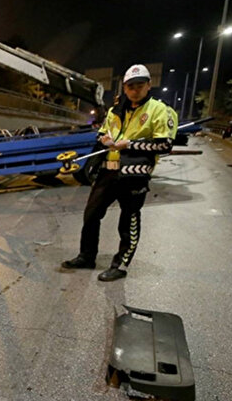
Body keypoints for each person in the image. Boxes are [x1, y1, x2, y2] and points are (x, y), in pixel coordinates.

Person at [61, 64, 177, 281]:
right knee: (91, 215)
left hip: (134, 174)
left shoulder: (159, 110)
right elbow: (102, 134)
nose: (134, 90)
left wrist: (129, 145)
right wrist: (104, 139)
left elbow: (165, 144)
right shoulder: (115, 110)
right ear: (124, 87)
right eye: (130, 86)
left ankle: (120, 264)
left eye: (139, 85)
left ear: (148, 86)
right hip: (108, 171)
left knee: (129, 220)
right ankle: (86, 256)